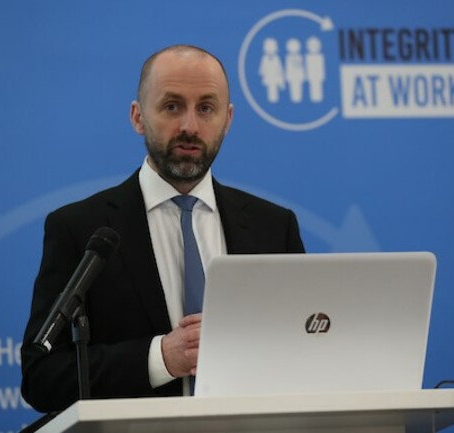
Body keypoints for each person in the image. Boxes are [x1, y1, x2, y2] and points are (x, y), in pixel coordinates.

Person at [20, 44, 305, 413]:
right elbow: (42, 376)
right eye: (172, 106)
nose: (189, 126)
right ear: (138, 117)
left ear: (228, 119)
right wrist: (161, 358)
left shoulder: (274, 228)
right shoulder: (80, 228)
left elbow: (302, 355)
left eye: (206, 108)